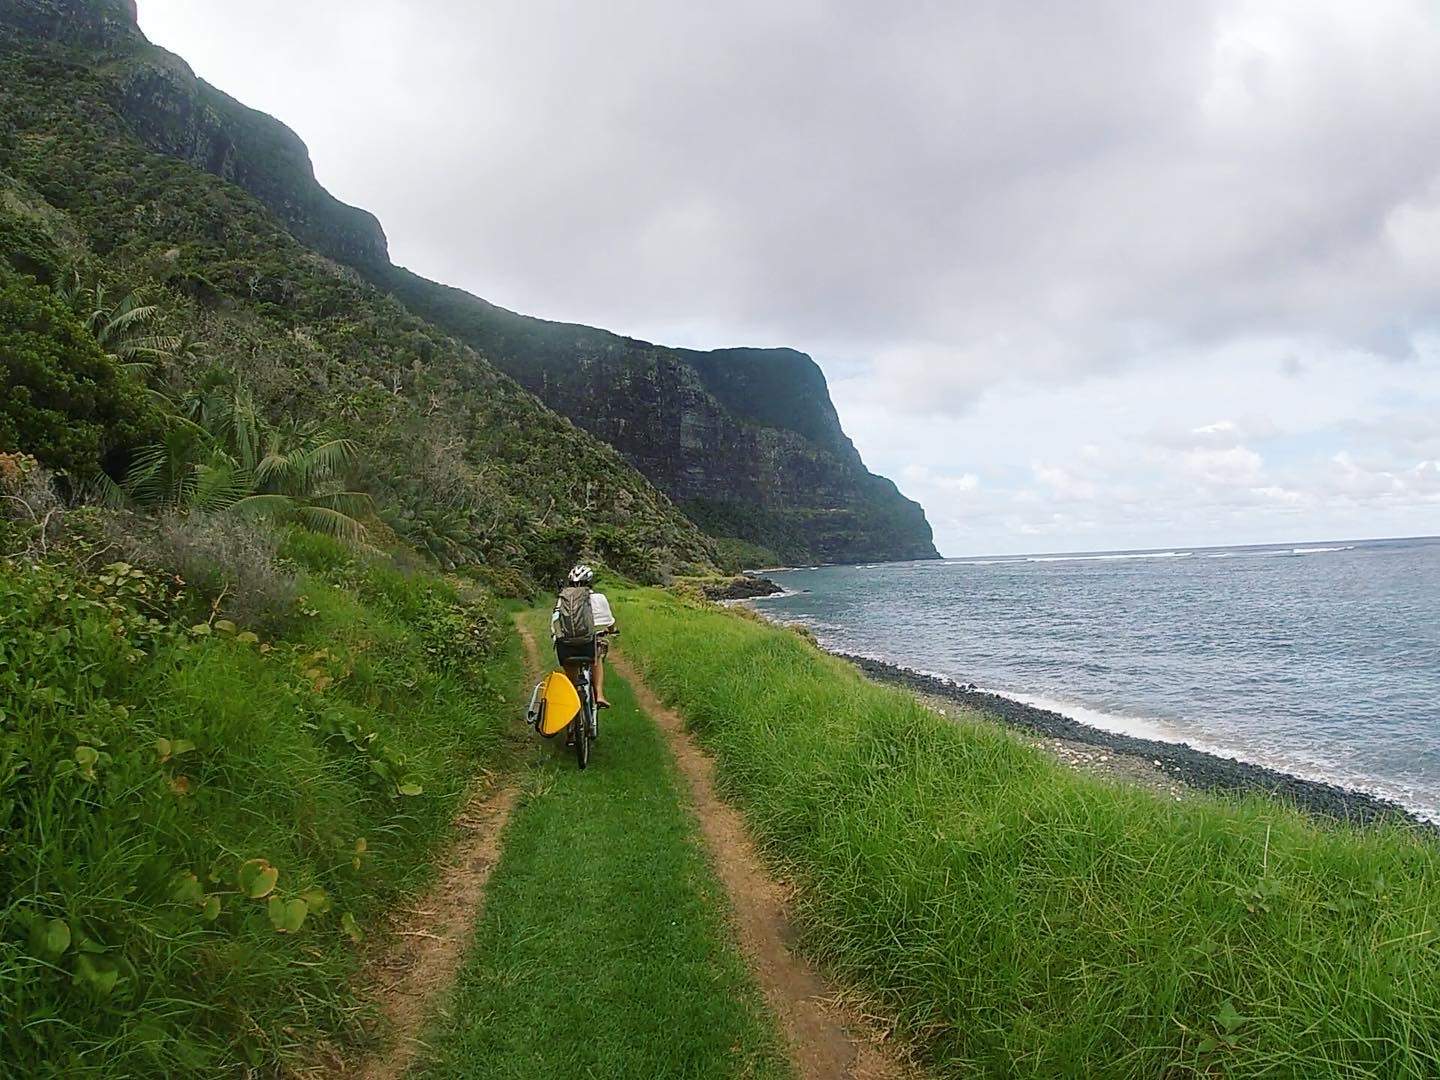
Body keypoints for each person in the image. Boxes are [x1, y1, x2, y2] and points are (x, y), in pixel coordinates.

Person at [551, 564, 617, 708]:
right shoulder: (599, 598)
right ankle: (599, 694)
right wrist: (612, 630)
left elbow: (555, 621)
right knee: (597, 656)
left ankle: (571, 701)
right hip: (587, 645)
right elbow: (609, 622)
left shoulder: (563, 598)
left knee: (571, 674)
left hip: (566, 646)